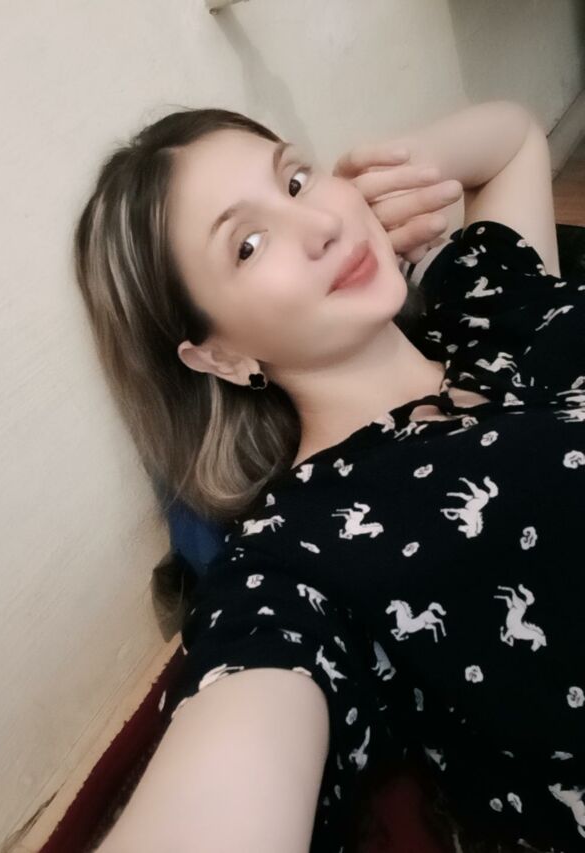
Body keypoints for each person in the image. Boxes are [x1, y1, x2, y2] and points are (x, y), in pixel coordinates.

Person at [73, 100, 584, 853]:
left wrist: (399, 170)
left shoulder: (479, 298)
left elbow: (513, 139)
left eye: (295, 179)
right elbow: (239, 739)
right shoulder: (302, 553)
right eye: (248, 245)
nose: (320, 226)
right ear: (219, 355)